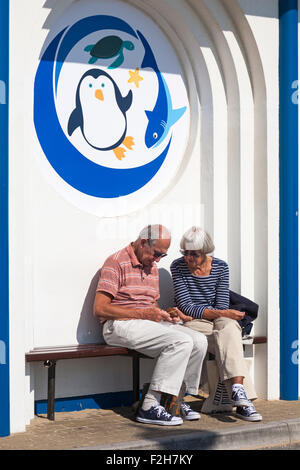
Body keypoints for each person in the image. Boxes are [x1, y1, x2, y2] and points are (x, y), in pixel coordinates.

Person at [93, 224, 208, 426]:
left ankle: (174, 399)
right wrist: (142, 313)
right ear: (143, 242)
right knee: (180, 341)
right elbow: (100, 309)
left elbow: (150, 304)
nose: (157, 260)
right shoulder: (116, 262)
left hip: (144, 323)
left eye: (162, 256)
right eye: (156, 253)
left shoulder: (151, 267)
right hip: (118, 325)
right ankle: (149, 406)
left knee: (198, 340)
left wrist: (165, 315)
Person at [170, 226, 262, 422]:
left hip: (217, 321)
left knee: (228, 327)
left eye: (193, 254)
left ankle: (237, 391)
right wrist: (221, 313)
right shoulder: (177, 267)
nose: (188, 258)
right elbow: (186, 307)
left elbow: (220, 303)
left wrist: (220, 313)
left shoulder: (220, 267)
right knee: (230, 335)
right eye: (185, 253)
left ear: (205, 252)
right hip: (193, 323)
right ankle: (243, 399)